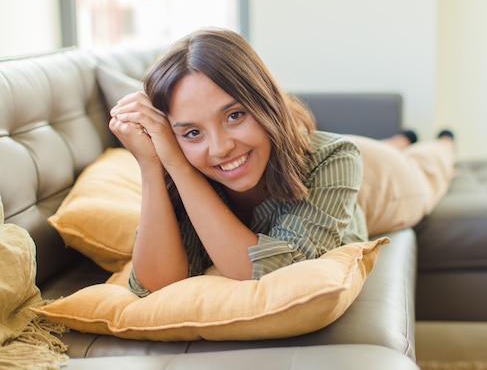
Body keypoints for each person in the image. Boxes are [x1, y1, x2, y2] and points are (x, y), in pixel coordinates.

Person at [109, 28, 455, 297]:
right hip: (329, 156)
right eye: (192, 133)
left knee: (428, 166)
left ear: (265, 101)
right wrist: (154, 164)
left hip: (381, 181)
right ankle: (400, 138)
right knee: (395, 145)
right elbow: (155, 284)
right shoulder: (183, 161)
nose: (220, 148)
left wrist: (182, 166)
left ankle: (439, 143)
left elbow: (267, 272)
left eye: (234, 115)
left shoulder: (334, 158)